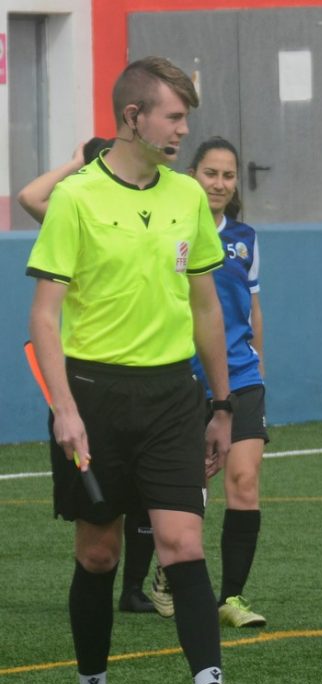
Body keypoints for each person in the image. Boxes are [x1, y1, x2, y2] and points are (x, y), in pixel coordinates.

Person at [25, 56, 264, 684]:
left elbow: (206, 310)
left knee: (183, 544)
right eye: (172, 116)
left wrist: (221, 405)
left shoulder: (189, 197)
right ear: (133, 118)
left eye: (185, 118)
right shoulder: (75, 198)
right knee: (98, 555)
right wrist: (65, 408)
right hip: (93, 398)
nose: (182, 130)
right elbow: (45, 316)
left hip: (170, 398)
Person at [18, 137, 163, 615]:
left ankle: (141, 586)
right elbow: (29, 198)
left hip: (158, 370)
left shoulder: (163, 209)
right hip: (96, 380)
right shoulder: (79, 212)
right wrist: (78, 162)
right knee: (101, 537)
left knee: (158, 508)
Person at [132, 137, 270, 630]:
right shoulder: (171, 227)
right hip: (182, 375)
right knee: (193, 484)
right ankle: (169, 573)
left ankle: (232, 596)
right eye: (210, 173)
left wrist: (259, 367)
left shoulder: (246, 238)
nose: (219, 183)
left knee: (245, 481)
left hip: (241, 377)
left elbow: (251, 308)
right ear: (192, 175)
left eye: (228, 175)